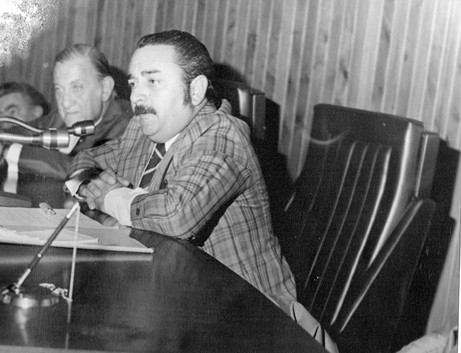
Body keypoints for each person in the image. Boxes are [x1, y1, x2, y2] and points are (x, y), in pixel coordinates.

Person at [67, 30, 296, 313]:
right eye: (133, 83)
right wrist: (89, 184)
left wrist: (109, 197)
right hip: (175, 295)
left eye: (153, 81)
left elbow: (176, 215)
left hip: (251, 313)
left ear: (195, 90)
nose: (136, 95)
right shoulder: (142, 130)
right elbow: (86, 159)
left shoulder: (223, 136)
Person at [0, 43, 132, 206]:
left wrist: (7, 151)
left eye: (76, 87)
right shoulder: (60, 119)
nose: (65, 103)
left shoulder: (128, 126)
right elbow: (19, 132)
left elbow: (83, 167)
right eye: (59, 90)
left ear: (105, 89)